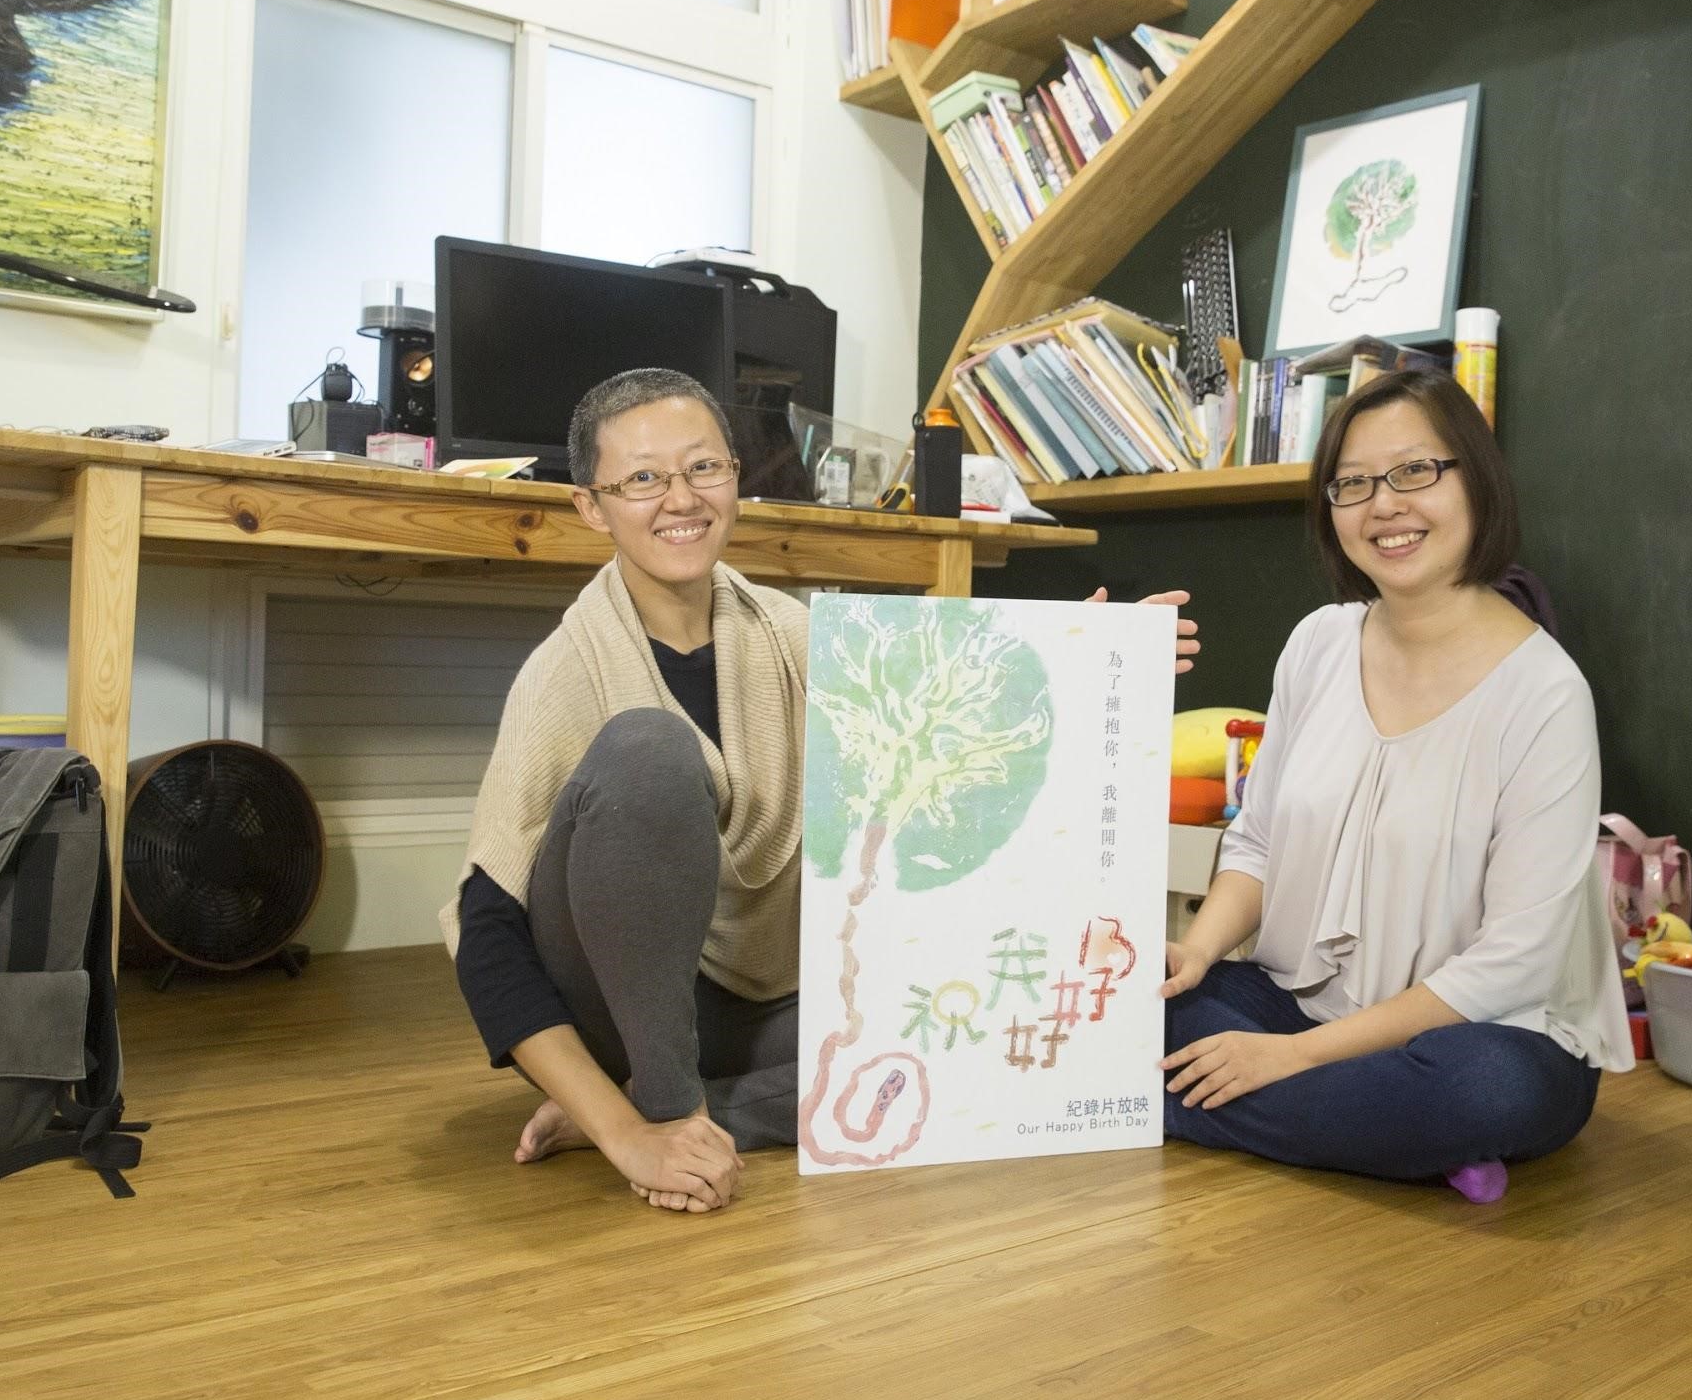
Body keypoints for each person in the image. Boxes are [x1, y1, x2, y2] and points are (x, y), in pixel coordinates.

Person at [445, 368, 1199, 1214]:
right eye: (644, 478)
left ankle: (670, 1111)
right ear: (593, 505)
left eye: (705, 468)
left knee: (969, 1036)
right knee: (648, 752)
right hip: (621, 1001)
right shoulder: (566, 671)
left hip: (762, 1003)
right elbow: (487, 933)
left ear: (737, 476)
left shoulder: (802, 636)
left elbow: (955, 716)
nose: (681, 498)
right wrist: (631, 1135)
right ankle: (661, 1105)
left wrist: (1088, 654)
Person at [1159, 366, 1631, 1203]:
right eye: (1353, 483)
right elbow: (1257, 841)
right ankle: (1376, 1137)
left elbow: (1512, 965)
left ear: (1475, 481)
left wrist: (1288, 1058)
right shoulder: (1318, 643)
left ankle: (1196, 1104)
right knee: (1136, 1002)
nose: (1385, 504)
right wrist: (1196, 954)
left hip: (1480, 1036)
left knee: (1483, 1093)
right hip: (1299, 1001)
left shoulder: (1546, 692)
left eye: (1415, 471)